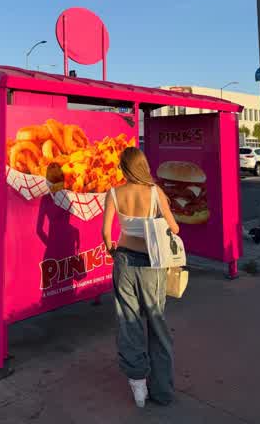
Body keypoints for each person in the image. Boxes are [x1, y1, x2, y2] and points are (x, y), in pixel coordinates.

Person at [102, 146, 180, 408]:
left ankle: (138, 387)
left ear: (124, 168)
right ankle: (162, 390)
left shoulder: (114, 193)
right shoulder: (155, 192)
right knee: (157, 325)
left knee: (129, 323)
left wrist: (112, 250)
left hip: (123, 262)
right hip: (151, 265)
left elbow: (106, 233)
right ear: (143, 165)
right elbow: (174, 228)